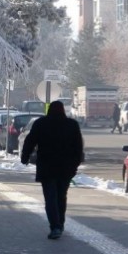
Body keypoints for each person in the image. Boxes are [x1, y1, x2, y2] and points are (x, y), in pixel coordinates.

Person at [21, 101, 84, 240]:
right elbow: (78, 147)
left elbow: (30, 141)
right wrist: (75, 164)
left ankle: (55, 226)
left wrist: (25, 157)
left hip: (47, 166)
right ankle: (60, 224)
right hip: (66, 168)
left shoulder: (41, 124)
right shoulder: (72, 125)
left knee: (50, 198)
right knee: (61, 197)